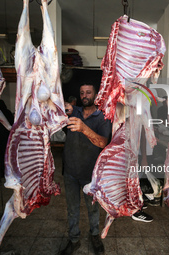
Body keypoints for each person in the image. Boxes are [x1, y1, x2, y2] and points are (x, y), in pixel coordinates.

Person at [61, 84, 111, 255]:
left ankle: (95, 235)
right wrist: (64, 106)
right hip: (70, 172)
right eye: (82, 92)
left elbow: (103, 142)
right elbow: (62, 109)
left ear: (96, 95)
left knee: (93, 208)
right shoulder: (74, 112)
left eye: (88, 92)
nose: (85, 95)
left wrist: (84, 128)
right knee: (72, 208)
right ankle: (74, 239)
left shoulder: (102, 117)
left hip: (90, 174)